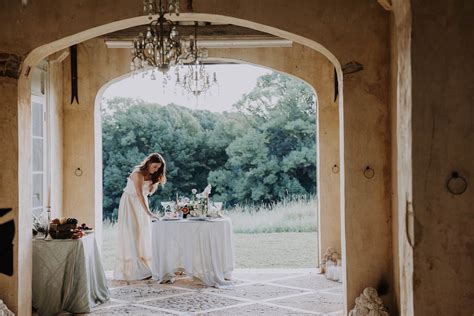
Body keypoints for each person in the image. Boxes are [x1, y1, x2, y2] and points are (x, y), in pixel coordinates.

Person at [113, 153, 167, 280]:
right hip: (130, 202)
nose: (156, 170)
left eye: (158, 168)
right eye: (154, 167)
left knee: (142, 232)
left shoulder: (152, 175)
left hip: (141, 203)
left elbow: (146, 194)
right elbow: (138, 194)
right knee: (132, 233)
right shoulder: (137, 173)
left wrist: (155, 181)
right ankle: (135, 269)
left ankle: (145, 265)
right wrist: (148, 212)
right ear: (148, 163)